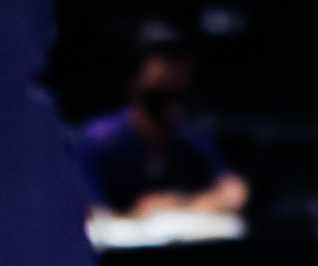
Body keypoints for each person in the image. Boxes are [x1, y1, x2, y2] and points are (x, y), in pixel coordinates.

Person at [77, 23, 247, 219]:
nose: (170, 105)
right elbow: (90, 212)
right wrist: (137, 215)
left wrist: (173, 205)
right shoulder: (100, 140)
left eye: (176, 90)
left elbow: (234, 192)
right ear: (134, 82)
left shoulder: (189, 135)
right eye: (158, 94)